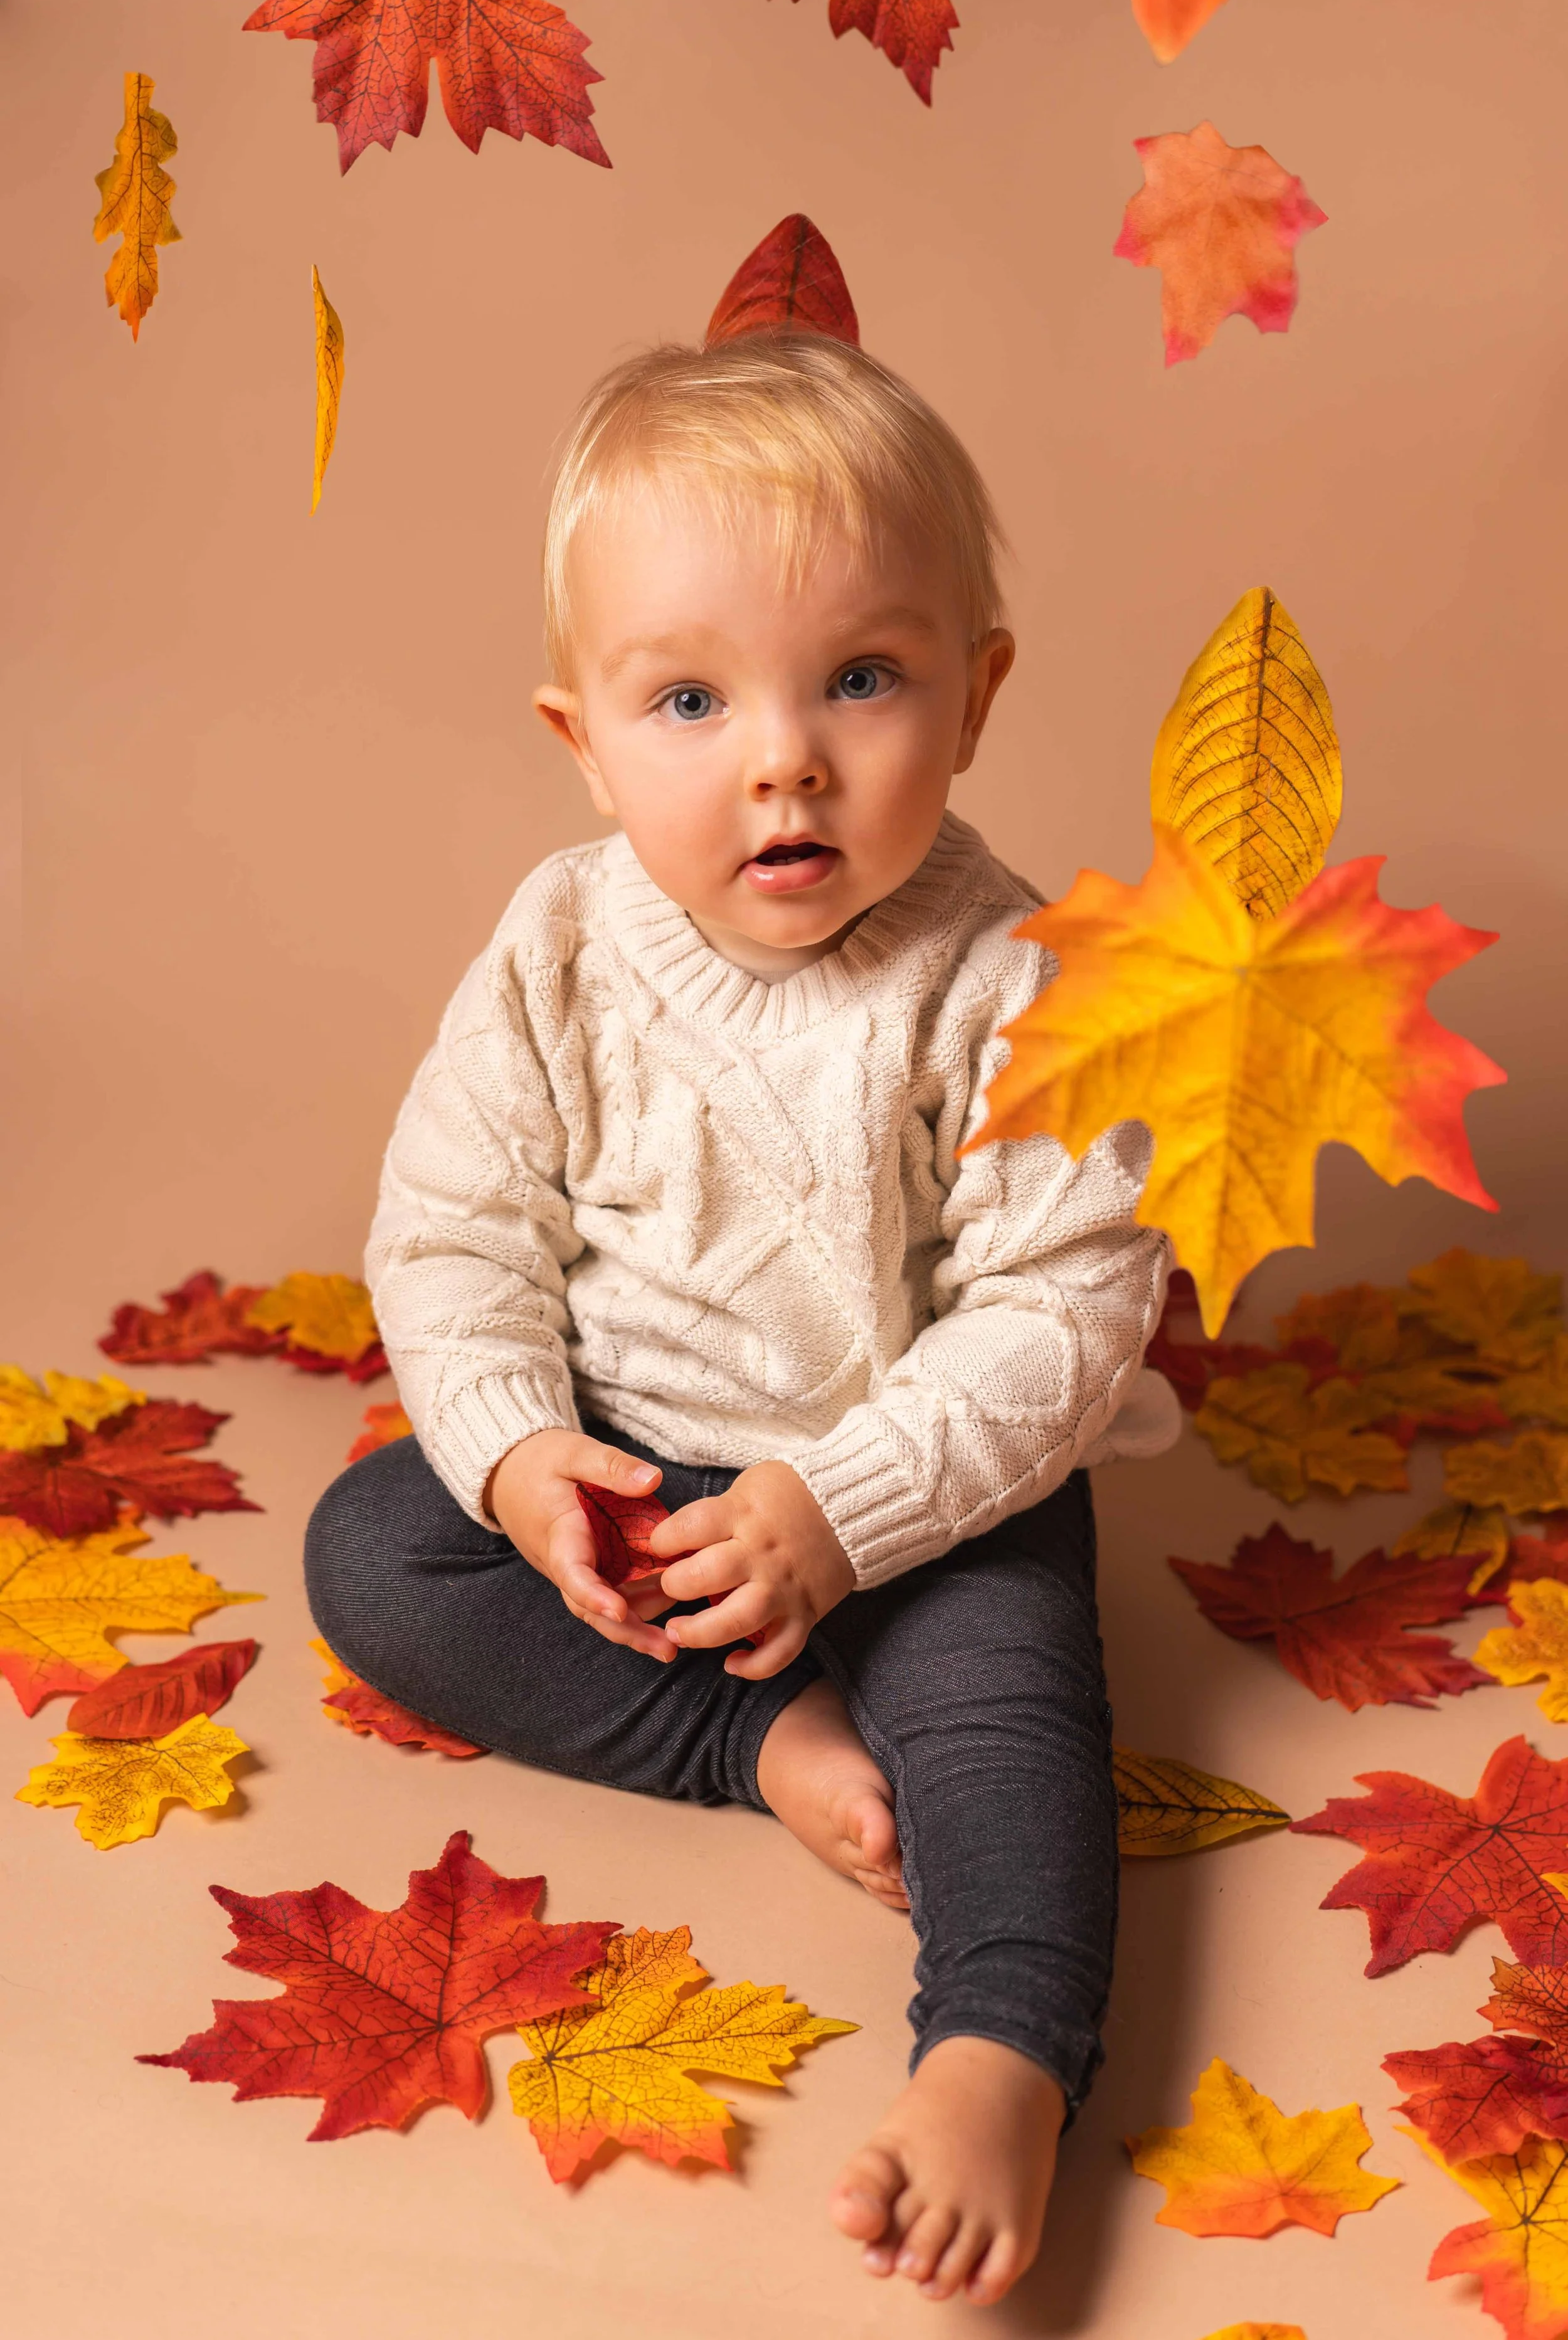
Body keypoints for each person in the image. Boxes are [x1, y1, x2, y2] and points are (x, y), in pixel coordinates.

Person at [305, 327, 1176, 2304]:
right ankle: (756, 1742)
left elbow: (1066, 1301)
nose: (783, 753)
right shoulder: (554, 951)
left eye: (862, 678)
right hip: (649, 1482)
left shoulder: (1015, 972)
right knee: (377, 1551)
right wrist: (528, 1457)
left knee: (1008, 1713)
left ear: (976, 693)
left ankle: (1000, 2053)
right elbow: (451, 1237)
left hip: (928, 1478)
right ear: (583, 738)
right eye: (689, 698)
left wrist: (848, 1509)